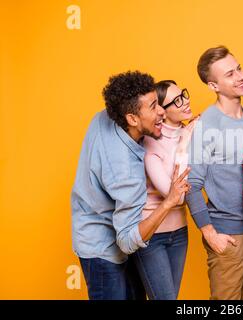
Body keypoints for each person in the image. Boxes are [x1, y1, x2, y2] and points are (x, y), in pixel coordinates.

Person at [71, 71, 191, 300]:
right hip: (102, 247)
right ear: (132, 119)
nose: (162, 111)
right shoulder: (125, 172)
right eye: (154, 106)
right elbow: (127, 241)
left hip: (113, 226)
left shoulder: (107, 114)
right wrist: (169, 202)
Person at [186, 46, 243, 299]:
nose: (240, 76)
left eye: (238, 68)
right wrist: (210, 233)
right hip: (228, 237)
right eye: (229, 74)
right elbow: (191, 184)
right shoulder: (207, 124)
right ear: (213, 85)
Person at [133, 80, 199, 299]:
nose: (186, 101)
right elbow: (176, 196)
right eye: (177, 100)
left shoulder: (192, 131)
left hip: (179, 232)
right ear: (162, 110)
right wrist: (183, 145)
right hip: (152, 236)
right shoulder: (150, 143)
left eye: (184, 94)